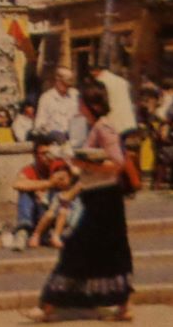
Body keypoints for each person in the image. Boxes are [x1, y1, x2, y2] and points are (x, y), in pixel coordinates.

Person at [35, 80, 133, 321]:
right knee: (108, 251)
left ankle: (49, 303)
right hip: (95, 196)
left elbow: (116, 164)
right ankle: (123, 305)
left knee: (78, 248)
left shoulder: (104, 128)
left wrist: (82, 163)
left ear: (91, 104)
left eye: (82, 101)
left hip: (105, 199)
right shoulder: (93, 127)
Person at [10, 140, 58, 251]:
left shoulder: (57, 168)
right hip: (35, 211)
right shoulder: (29, 169)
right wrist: (45, 185)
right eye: (43, 154)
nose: (47, 157)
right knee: (25, 193)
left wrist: (45, 193)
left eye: (49, 153)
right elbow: (17, 184)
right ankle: (23, 231)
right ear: (35, 155)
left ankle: (46, 233)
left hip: (51, 212)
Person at [29, 161, 80, 249]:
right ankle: (36, 234)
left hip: (69, 217)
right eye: (56, 180)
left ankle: (56, 236)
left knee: (63, 211)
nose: (59, 182)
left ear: (70, 179)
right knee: (50, 214)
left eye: (62, 179)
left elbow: (77, 173)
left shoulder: (73, 190)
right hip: (53, 215)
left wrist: (69, 164)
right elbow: (44, 200)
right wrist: (40, 196)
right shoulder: (53, 192)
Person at [37, 68, 84, 146]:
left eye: (69, 84)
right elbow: (39, 125)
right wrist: (52, 134)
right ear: (57, 80)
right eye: (64, 83)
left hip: (74, 141)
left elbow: (81, 117)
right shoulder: (46, 98)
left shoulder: (75, 95)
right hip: (54, 143)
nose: (67, 86)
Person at [91, 63, 138, 139]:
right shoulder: (122, 81)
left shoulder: (100, 82)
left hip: (114, 125)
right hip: (129, 122)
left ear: (95, 71)